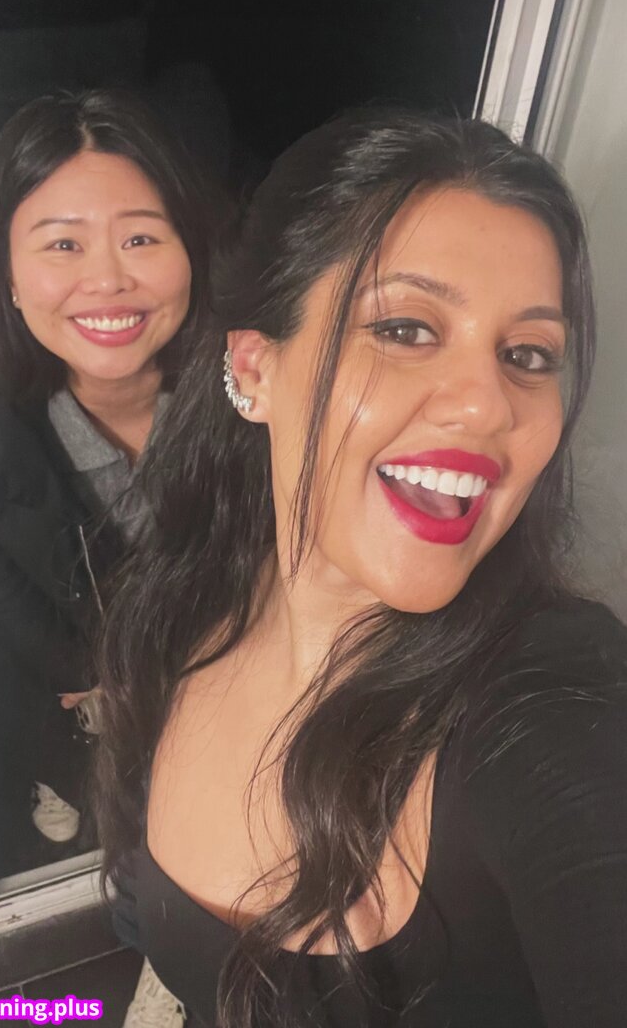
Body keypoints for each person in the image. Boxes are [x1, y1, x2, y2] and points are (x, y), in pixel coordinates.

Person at [96, 109, 627, 1028]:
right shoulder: (176, 612)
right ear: (253, 368)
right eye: (406, 328)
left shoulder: (548, 697)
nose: (486, 405)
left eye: (525, 355)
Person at [0, 89, 217, 857]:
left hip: (210, 628)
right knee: (68, 732)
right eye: (63, 245)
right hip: (66, 620)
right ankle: (59, 773)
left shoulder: (252, 375)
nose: (106, 280)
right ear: (6, 272)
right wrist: (87, 670)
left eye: (140, 238)